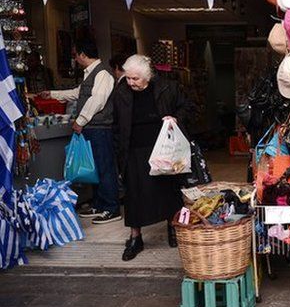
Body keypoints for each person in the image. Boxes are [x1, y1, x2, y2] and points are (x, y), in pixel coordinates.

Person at [113, 54, 186, 261]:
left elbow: (185, 107)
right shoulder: (121, 93)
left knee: (168, 191)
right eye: (128, 78)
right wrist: (118, 154)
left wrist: (176, 119)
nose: (130, 83)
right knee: (134, 194)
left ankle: (174, 228)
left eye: (135, 79)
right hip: (134, 149)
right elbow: (116, 125)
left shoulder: (166, 88)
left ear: (147, 76)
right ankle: (135, 237)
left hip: (163, 148)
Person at [39, 40, 120, 224]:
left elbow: (97, 100)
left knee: (105, 168)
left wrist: (80, 120)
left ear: (83, 54)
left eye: (76, 55)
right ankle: (99, 204)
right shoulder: (90, 74)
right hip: (92, 128)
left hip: (100, 128)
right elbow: (78, 93)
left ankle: (112, 208)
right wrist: (52, 94)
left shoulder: (103, 75)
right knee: (95, 168)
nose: (74, 58)